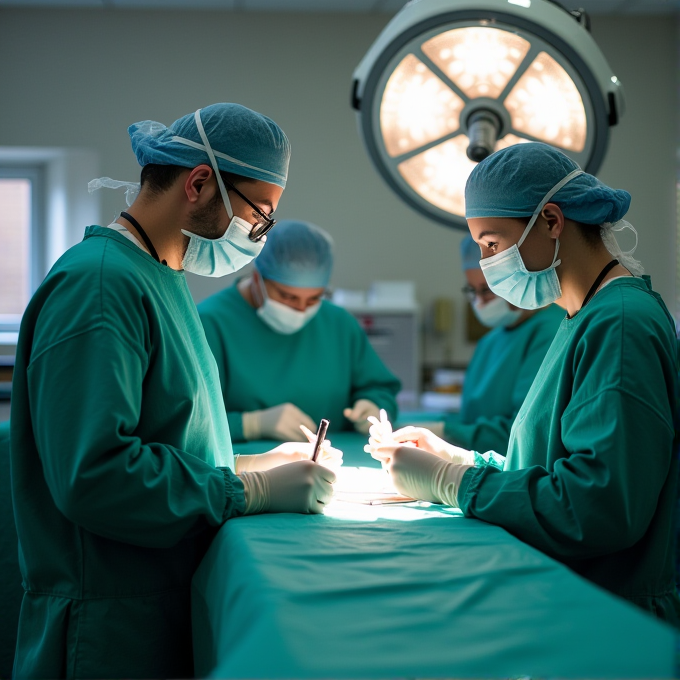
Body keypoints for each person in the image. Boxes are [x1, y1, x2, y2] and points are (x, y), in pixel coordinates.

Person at [10, 104, 341, 680]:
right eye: (258, 216)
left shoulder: (161, 277)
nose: (258, 237)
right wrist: (251, 491)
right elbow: (96, 476)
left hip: (153, 601)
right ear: (199, 183)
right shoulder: (101, 285)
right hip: (107, 626)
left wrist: (251, 464)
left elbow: (165, 438)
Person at [367, 142, 680, 625]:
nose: (488, 268)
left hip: (612, 615)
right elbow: (553, 465)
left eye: (492, 245)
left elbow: (595, 508)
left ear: (552, 221)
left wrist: (453, 483)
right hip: (574, 595)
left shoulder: (620, 324)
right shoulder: (581, 317)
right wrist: (458, 457)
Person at [198, 219, 401, 442]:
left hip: (336, 464)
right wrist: (248, 425)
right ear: (257, 279)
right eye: (288, 296)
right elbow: (184, 421)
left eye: (314, 298)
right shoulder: (209, 323)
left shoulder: (339, 323)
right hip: (246, 469)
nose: (301, 309)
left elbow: (379, 388)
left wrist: (373, 407)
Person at [431, 235, 562, 455]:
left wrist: (446, 433)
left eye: (486, 289)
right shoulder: (489, 342)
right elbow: (470, 419)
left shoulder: (552, 331)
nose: (479, 301)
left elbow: (526, 434)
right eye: (472, 291)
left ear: (522, 278)